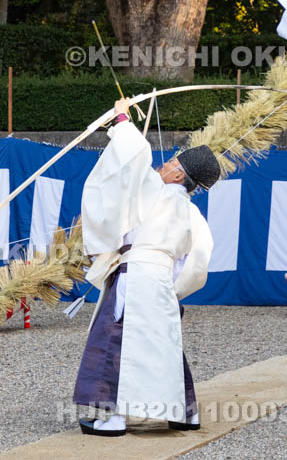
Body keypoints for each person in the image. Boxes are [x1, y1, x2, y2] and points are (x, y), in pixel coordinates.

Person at [72, 97, 219, 437]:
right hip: (161, 282)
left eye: (171, 163)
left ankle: (115, 418)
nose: (163, 166)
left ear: (179, 174)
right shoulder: (192, 213)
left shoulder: (154, 190)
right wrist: (173, 291)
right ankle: (184, 413)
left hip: (135, 275)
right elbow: (198, 265)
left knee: (117, 339)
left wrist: (123, 118)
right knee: (161, 343)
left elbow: (134, 154)